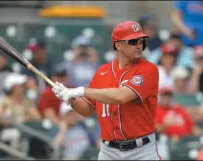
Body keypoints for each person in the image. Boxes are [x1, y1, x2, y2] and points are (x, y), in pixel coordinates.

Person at [52, 21, 161, 160]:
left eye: (142, 41)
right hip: (109, 151)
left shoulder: (148, 69)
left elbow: (121, 96)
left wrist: (80, 91)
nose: (139, 45)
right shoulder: (102, 72)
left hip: (141, 150)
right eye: (133, 41)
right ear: (118, 45)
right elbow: (86, 110)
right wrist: (69, 98)